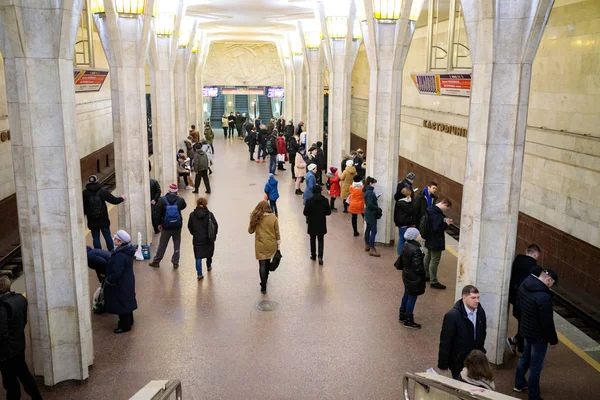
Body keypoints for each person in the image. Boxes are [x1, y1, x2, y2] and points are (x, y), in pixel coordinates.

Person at [514, 269, 559, 399]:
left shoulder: (525, 284)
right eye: (553, 283)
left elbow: (518, 306)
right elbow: (547, 322)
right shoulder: (543, 297)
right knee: (536, 366)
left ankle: (519, 383)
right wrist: (553, 340)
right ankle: (534, 396)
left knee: (525, 357)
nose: (552, 287)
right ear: (548, 280)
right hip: (539, 336)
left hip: (526, 330)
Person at [0, 276, 43, 400]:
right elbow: (23, 320)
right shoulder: (21, 299)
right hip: (19, 345)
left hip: (7, 353)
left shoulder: (2, 307)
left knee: (10, 383)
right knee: (25, 376)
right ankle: (37, 397)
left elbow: (2, 334)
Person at [438, 285, 487, 380]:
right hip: (459, 362)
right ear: (464, 298)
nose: (477, 300)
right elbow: (446, 340)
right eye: (473, 298)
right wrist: (443, 363)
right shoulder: (452, 316)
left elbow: (482, 333)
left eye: (478, 297)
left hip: (475, 361)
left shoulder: (480, 312)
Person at [507, 244, 543, 355]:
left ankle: (515, 341)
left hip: (514, 297)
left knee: (523, 322)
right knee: (526, 323)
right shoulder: (534, 268)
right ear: (536, 254)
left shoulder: (517, 259)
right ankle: (520, 347)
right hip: (525, 300)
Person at [104, 230, 137, 333]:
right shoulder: (127, 251)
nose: (114, 239)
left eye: (115, 239)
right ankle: (129, 321)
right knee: (127, 301)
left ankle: (124, 325)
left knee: (121, 303)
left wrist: (109, 280)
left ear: (120, 242)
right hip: (127, 280)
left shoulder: (120, 255)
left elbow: (117, 272)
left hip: (121, 282)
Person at [149, 184, 187, 269]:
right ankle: (175, 262)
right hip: (177, 226)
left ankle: (156, 261)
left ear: (169, 191)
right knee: (177, 244)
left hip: (166, 226)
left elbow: (157, 214)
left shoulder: (162, 200)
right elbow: (184, 206)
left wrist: (158, 224)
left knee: (162, 244)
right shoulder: (180, 200)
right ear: (176, 191)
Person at [83, 175, 125, 251]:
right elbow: (114, 201)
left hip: (92, 220)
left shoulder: (85, 193)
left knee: (95, 238)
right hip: (103, 219)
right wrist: (122, 198)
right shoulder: (102, 191)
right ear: (97, 181)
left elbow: (82, 206)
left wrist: (87, 213)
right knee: (107, 236)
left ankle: (99, 252)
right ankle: (111, 251)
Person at [248, 201, 280, 294]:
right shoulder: (273, 218)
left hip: (260, 244)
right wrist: (278, 244)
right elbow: (277, 232)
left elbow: (250, 231)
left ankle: (263, 285)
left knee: (262, 264)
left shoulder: (256, 217)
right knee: (267, 262)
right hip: (271, 244)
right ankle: (266, 278)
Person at [398, 227, 426, 329]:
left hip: (406, 275)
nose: (420, 236)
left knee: (406, 294)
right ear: (414, 237)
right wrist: (424, 273)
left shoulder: (406, 245)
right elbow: (418, 267)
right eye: (418, 234)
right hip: (414, 278)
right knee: (412, 298)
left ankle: (402, 314)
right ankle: (408, 320)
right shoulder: (416, 250)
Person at [424, 198, 452, 289]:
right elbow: (437, 228)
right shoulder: (437, 214)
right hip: (436, 240)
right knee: (435, 260)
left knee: (428, 257)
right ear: (444, 205)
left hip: (429, 237)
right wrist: (446, 224)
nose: (446, 210)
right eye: (446, 208)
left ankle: (426, 275)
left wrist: (443, 220)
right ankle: (434, 281)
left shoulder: (431, 209)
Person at [188, 197, 218, 281]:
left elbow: (189, 226)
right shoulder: (209, 214)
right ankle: (208, 266)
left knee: (198, 256)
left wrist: (194, 233)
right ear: (205, 204)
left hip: (197, 239)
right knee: (209, 253)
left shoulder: (192, 215)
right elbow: (215, 225)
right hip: (208, 239)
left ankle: (199, 274)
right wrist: (214, 235)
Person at [303, 185, 331, 265]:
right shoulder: (325, 200)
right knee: (321, 239)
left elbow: (305, 213)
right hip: (321, 223)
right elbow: (328, 212)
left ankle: (313, 255)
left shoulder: (309, 201)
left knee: (312, 239)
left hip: (312, 223)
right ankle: (320, 257)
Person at [394, 187, 414, 256]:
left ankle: (400, 255)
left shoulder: (399, 202)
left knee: (401, 239)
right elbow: (411, 211)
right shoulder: (404, 203)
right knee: (403, 240)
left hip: (400, 223)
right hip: (404, 223)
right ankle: (401, 255)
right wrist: (411, 202)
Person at [363, 176, 380, 257]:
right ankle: (372, 248)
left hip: (367, 213)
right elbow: (369, 204)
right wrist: (377, 208)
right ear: (371, 183)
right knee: (374, 231)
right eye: (374, 183)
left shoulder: (366, 191)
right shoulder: (370, 192)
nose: (374, 185)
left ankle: (367, 244)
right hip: (371, 214)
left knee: (368, 229)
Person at [149, 162, 162, 233]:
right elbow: (158, 191)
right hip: (153, 201)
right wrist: (155, 199)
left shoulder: (153, 182)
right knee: (155, 216)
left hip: (152, 201)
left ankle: (156, 228)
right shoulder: (154, 181)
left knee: (154, 216)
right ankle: (156, 229)